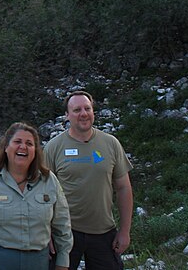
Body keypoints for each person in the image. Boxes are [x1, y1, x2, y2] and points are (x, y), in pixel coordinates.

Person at [0, 122, 72, 270]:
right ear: (6, 147)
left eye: (29, 143)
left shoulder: (49, 180)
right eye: (17, 142)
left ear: (35, 151)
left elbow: (62, 225)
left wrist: (63, 262)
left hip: (38, 263)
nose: (23, 147)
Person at [43, 91, 133, 270]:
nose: (83, 113)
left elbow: (123, 188)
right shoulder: (54, 147)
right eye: (76, 110)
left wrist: (124, 232)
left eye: (87, 108)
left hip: (103, 231)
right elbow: (41, 194)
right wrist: (44, 234)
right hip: (64, 232)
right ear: (67, 116)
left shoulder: (111, 143)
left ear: (93, 112)